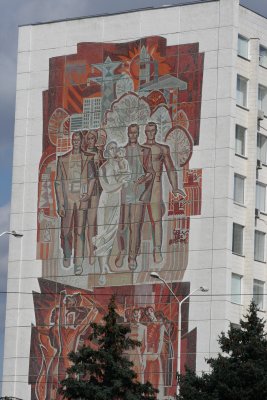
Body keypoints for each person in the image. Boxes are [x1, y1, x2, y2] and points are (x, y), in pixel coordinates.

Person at [55, 131, 96, 275]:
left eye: (78, 139)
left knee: (79, 232)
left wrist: (88, 193)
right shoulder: (63, 159)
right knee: (66, 231)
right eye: (74, 139)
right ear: (72, 141)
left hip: (81, 198)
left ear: (82, 141)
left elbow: (92, 178)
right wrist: (60, 204)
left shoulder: (87, 158)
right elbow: (58, 183)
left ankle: (78, 263)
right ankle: (67, 254)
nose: (76, 142)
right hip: (68, 199)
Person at [144, 122, 186, 263]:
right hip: (139, 187)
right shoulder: (139, 148)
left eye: (152, 130)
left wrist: (174, 187)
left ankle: (157, 250)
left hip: (155, 186)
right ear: (145, 131)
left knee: (157, 220)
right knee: (133, 221)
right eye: (148, 130)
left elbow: (170, 168)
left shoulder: (162, 149)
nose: (150, 133)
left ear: (155, 131)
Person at [115, 124, 154, 271]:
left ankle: (132, 257)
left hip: (138, 192)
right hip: (124, 192)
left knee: (135, 226)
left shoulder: (145, 151)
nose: (132, 135)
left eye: (135, 133)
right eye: (130, 133)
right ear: (127, 133)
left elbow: (151, 172)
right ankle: (122, 251)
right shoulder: (121, 152)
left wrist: (143, 179)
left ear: (138, 134)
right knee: (122, 226)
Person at [93, 141, 128, 285]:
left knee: (112, 234)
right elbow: (106, 187)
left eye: (115, 148)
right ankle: (101, 271)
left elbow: (125, 176)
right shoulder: (103, 168)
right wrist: (121, 183)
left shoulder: (119, 164)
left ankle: (105, 264)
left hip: (116, 202)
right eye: (111, 148)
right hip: (106, 202)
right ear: (107, 151)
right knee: (103, 235)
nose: (114, 150)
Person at [82, 130, 103, 265]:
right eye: (88, 138)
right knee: (83, 224)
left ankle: (93, 251)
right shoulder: (82, 154)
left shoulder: (99, 154)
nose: (90, 141)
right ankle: (88, 251)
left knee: (93, 223)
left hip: (96, 191)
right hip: (82, 190)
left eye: (93, 138)